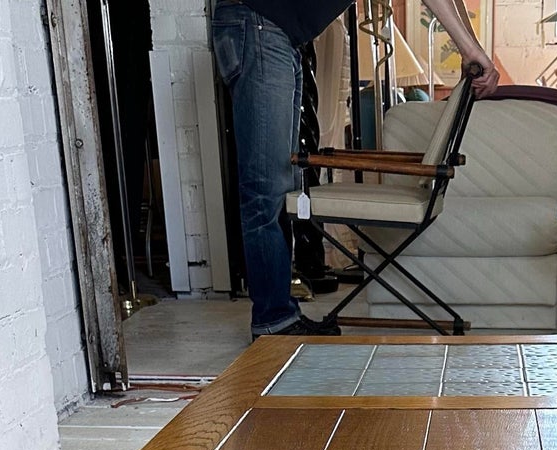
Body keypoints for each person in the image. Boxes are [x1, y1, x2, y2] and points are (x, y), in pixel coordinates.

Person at [213, 0, 499, 339]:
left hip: (276, 33)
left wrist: (473, 49)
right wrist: (470, 49)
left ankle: (278, 316)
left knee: (280, 185)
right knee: (267, 188)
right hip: (260, 26)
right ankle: (273, 320)